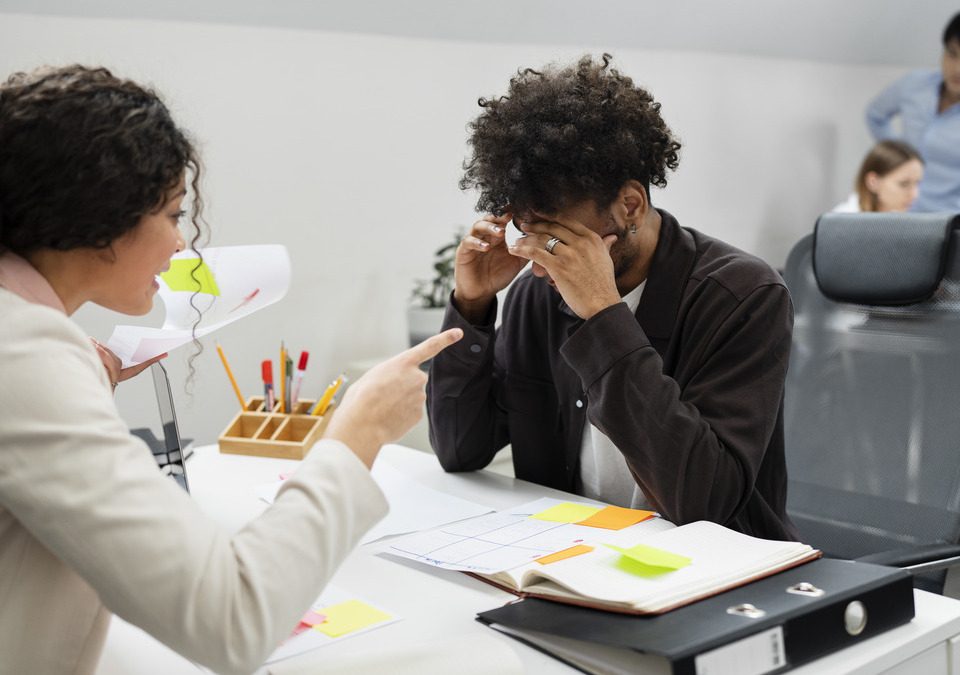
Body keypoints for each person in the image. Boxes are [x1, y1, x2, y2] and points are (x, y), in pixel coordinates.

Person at [0, 65, 461, 675]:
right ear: (99, 218)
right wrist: (358, 434)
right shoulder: (24, 352)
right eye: (171, 215)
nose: (181, 247)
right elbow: (232, 619)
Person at [427, 54, 797, 541]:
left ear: (630, 205)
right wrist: (471, 305)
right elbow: (460, 451)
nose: (541, 265)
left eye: (561, 240)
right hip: (575, 560)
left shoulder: (742, 296)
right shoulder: (537, 297)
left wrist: (604, 316)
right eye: (531, 236)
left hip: (712, 576)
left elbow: (706, 503)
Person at [866, 11, 960, 213]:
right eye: (952, 54)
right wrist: (899, 155)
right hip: (900, 211)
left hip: (948, 219)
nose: (957, 68)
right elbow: (875, 116)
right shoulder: (914, 84)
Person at [832, 140, 924, 213]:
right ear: (873, 182)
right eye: (904, 184)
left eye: (917, 183)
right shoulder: (841, 224)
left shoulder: (904, 225)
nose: (914, 195)